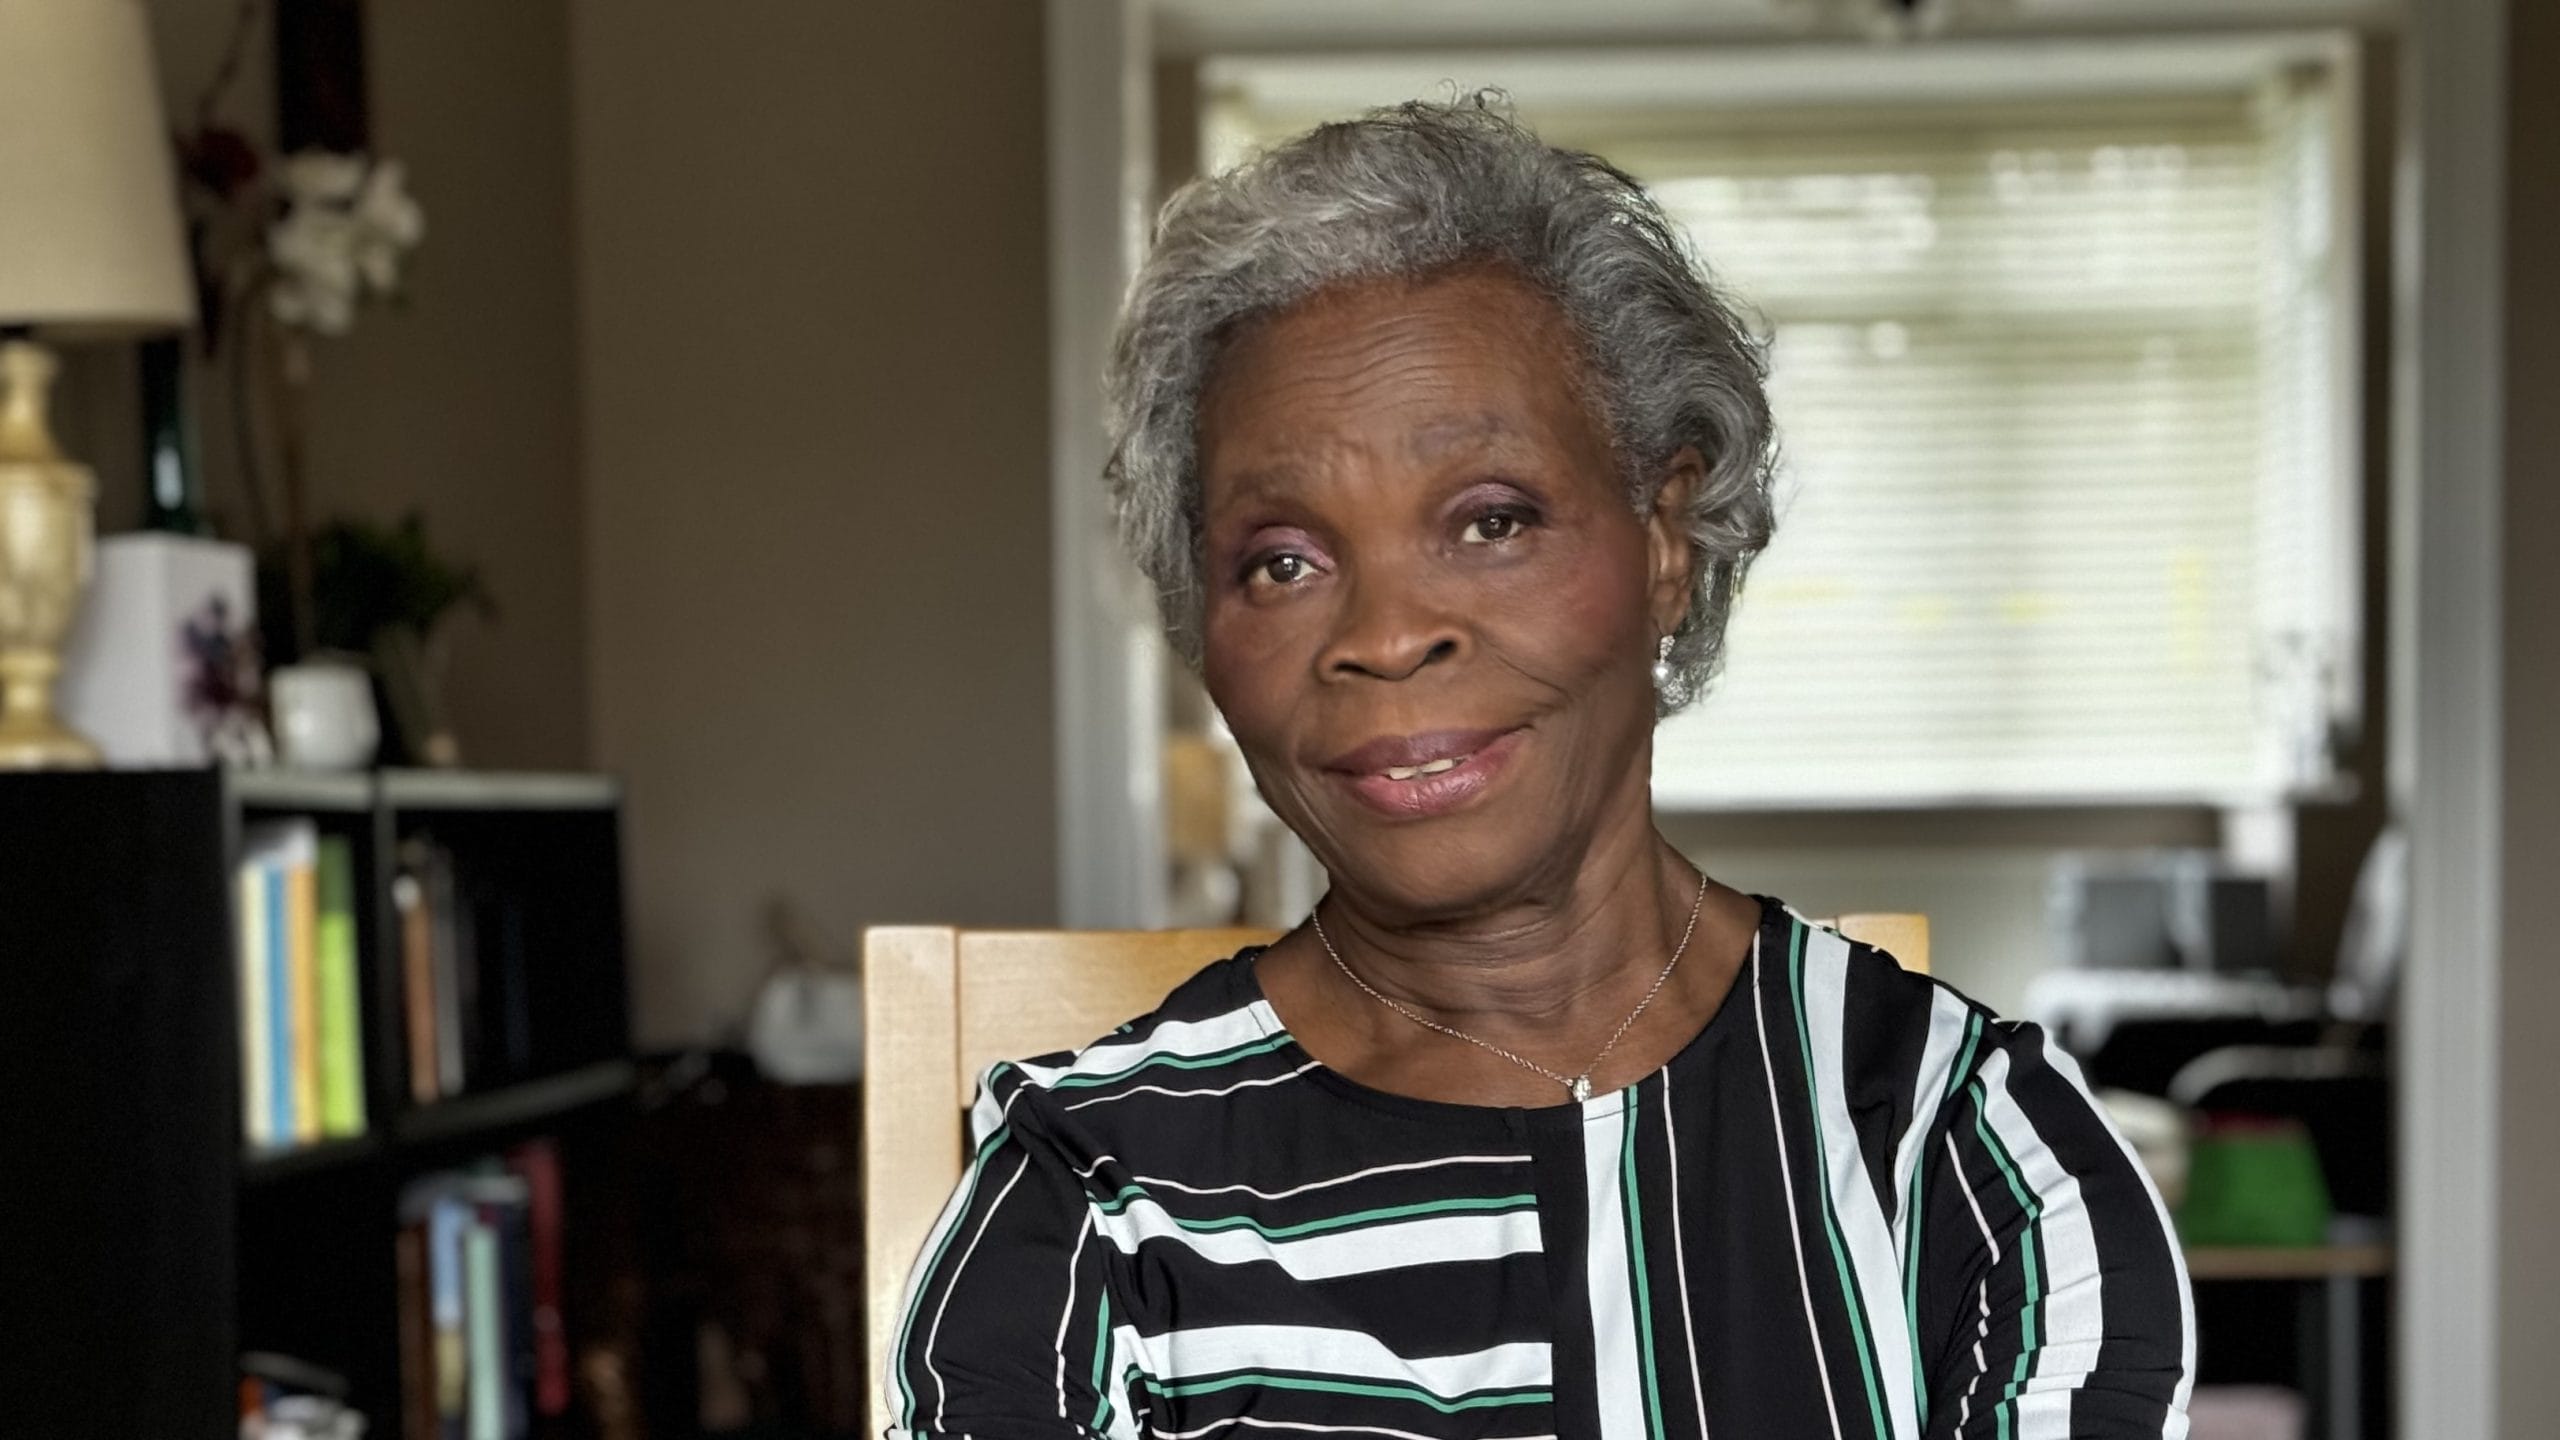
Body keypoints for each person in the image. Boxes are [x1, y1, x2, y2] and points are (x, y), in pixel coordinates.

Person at [884, 96, 2192, 1440]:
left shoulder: (1960, 1150)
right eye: (1282, 561)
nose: (1387, 637)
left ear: (1667, 541)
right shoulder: (1088, 1198)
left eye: (1489, 520)